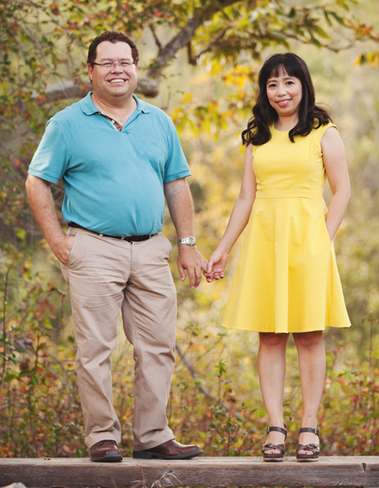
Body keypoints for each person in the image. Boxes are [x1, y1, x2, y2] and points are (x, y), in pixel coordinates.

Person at [26, 31, 206, 463]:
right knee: (95, 349)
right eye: (106, 63)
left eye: (124, 62)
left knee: (159, 345)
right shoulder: (67, 124)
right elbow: (37, 181)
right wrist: (57, 241)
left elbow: (177, 184)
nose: (117, 70)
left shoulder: (159, 122)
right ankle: (102, 437)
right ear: (90, 71)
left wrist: (187, 244)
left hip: (150, 250)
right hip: (94, 248)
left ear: (136, 68)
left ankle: (152, 436)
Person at [205, 53, 351, 462]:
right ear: (264, 91)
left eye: (288, 82)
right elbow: (245, 198)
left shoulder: (324, 132)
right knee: (269, 336)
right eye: (272, 84)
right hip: (265, 242)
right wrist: (222, 249)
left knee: (308, 334)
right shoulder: (258, 136)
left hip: (309, 241)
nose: (281, 91)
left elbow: (342, 192)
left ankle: (309, 424)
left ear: (303, 85)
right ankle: (274, 427)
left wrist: (322, 242)